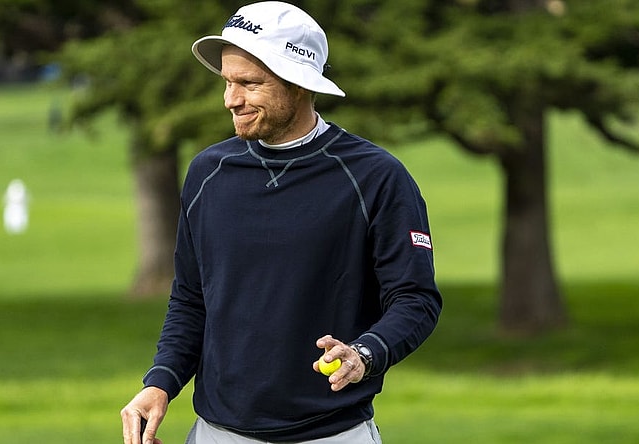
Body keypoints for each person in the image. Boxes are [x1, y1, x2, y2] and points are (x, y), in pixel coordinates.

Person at [120, 2, 442, 443]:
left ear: (298, 83)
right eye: (228, 82)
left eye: (249, 84)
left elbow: (416, 299)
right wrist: (160, 384)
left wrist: (364, 354)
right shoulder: (206, 173)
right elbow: (192, 300)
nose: (231, 99)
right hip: (215, 433)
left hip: (333, 434)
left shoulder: (376, 177)